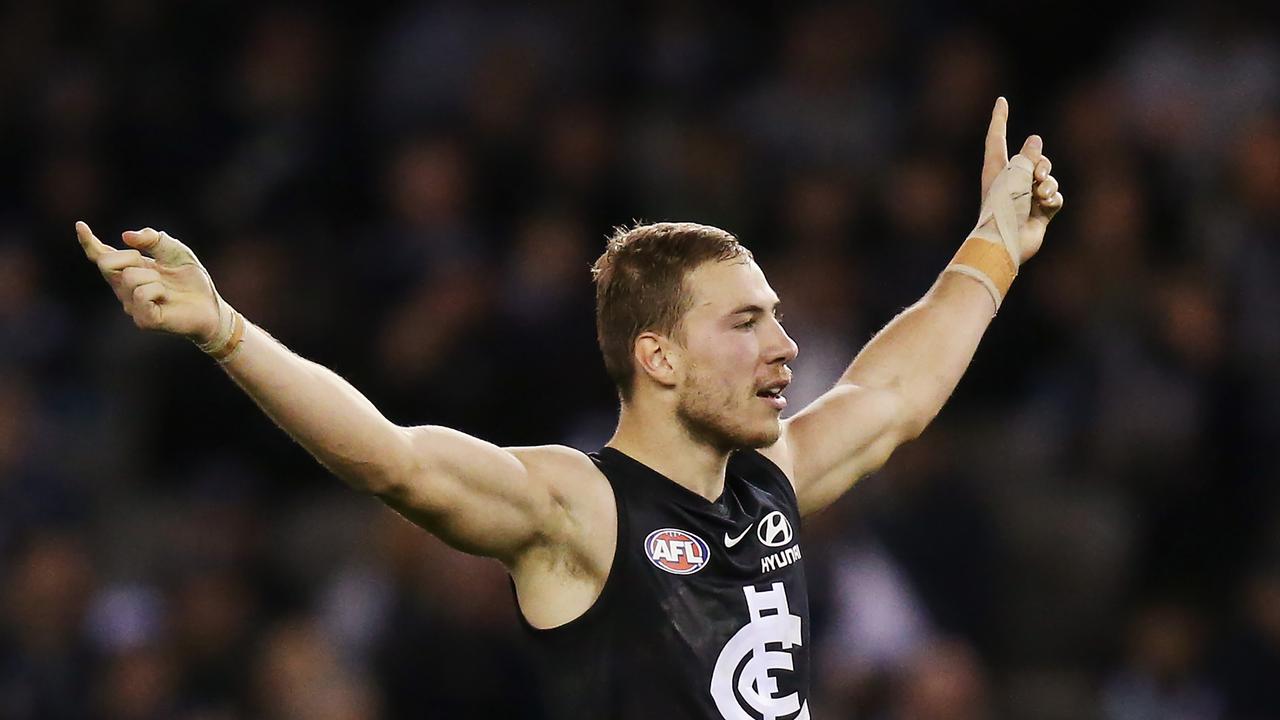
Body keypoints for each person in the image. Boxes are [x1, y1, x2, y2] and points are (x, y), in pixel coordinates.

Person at [76, 97, 1062, 719]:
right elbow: (391, 459)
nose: (784, 346)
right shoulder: (579, 508)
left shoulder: (770, 480)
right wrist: (225, 332)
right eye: (746, 323)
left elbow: (890, 395)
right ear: (659, 357)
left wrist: (995, 244)